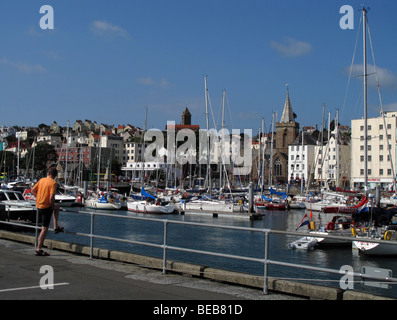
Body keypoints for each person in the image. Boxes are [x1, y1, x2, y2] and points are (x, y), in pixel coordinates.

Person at [32, 167, 64, 256]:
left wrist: (38, 198)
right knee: (44, 228)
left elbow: (33, 190)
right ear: (55, 175)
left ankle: (55, 226)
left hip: (39, 205)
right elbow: (51, 197)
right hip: (46, 206)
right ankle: (39, 248)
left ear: (48, 173)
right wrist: (52, 205)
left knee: (56, 208)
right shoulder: (53, 183)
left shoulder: (41, 180)